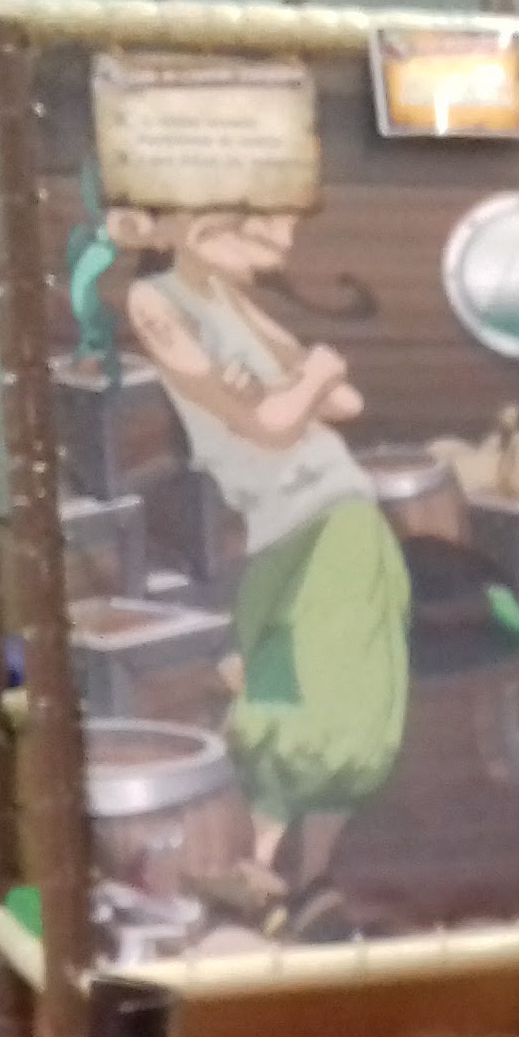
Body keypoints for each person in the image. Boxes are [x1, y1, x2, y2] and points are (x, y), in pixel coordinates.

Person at [107, 204, 409, 921]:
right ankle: (262, 873)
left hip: (336, 512)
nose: (274, 243)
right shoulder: (157, 301)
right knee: (289, 697)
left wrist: (295, 384)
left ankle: (305, 878)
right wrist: (304, 381)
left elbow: (344, 402)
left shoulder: (230, 299)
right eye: (248, 225)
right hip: (290, 520)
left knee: (347, 696)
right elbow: (271, 424)